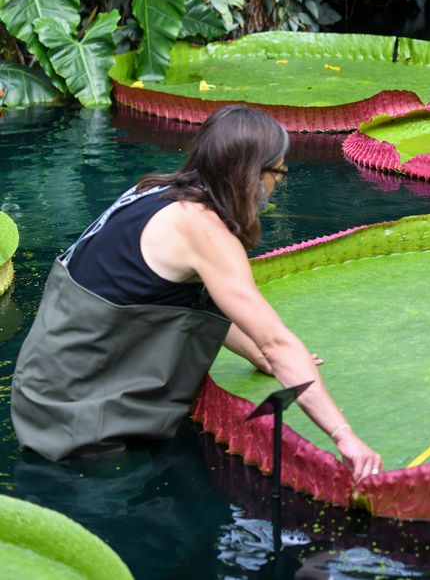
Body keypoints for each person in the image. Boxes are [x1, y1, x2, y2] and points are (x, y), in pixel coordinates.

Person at [12, 104, 382, 478]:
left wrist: (258, 357)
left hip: (40, 391)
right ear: (250, 174)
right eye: (279, 174)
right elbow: (278, 343)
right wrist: (344, 434)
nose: (276, 187)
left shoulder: (154, 191)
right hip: (76, 420)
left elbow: (199, 302)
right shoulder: (203, 231)